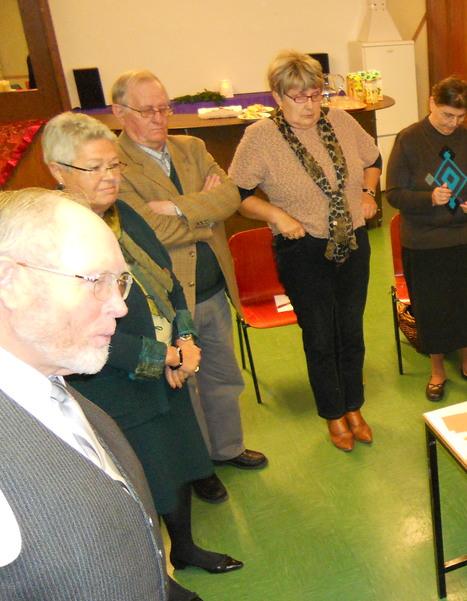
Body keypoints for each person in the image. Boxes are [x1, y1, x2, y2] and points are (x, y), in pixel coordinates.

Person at [42, 112, 242, 578]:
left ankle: (184, 550)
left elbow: (170, 281)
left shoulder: (124, 215)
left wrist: (186, 339)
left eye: (114, 165)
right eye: (95, 168)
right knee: (140, 481)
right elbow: (75, 329)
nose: (110, 177)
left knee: (176, 464)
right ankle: (155, 577)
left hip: (164, 369)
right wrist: (164, 357)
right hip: (112, 383)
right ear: (57, 170)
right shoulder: (52, 238)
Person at [0, 188, 173, 600]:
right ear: (9, 282)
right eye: (96, 281)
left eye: (120, 282)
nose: (120, 306)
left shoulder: (56, 382)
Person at [110, 70, 267, 504]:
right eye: (147, 110)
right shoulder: (116, 165)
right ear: (120, 113)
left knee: (223, 376)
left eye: (164, 108)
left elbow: (231, 197)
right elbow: (149, 231)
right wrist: (203, 213)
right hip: (169, 299)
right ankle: (199, 467)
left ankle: (228, 448)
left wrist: (176, 208)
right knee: (186, 384)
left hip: (214, 286)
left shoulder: (193, 147)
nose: (159, 118)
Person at [228, 50, 380, 452]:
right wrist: (276, 215)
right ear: (278, 96)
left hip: (352, 242)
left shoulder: (341, 121)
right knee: (320, 336)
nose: (310, 105)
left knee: (351, 331)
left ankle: (354, 406)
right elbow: (237, 195)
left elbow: (374, 158)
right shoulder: (260, 137)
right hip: (303, 250)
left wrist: (368, 191)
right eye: (299, 97)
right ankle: (333, 414)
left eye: (316, 95)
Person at [386, 76, 467, 402]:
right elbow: (394, 193)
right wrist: (429, 199)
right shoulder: (409, 139)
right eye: (448, 115)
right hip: (426, 241)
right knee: (432, 307)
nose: (453, 123)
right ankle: (438, 371)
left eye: (460, 117)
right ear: (432, 103)